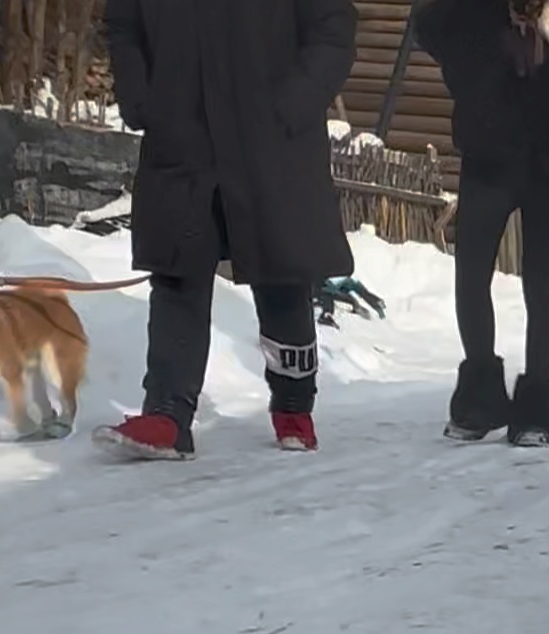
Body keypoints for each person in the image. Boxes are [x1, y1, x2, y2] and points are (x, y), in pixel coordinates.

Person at [95, 0, 358, 460]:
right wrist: (139, 95)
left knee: (280, 269)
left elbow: (333, 27)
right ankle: (167, 413)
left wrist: (294, 102)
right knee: (176, 270)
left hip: (269, 136)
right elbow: (123, 22)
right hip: (181, 133)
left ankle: (294, 405)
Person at [414, 0, 549, 448]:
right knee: (470, 278)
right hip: (487, 159)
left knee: (540, 287)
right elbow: (430, 27)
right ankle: (478, 402)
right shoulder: (474, 12)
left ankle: (533, 411)